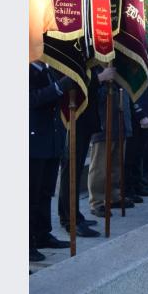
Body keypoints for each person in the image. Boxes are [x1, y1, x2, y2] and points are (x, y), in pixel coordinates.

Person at [57, 66, 115, 237]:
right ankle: (70, 220)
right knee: (70, 171)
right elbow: (72, 84)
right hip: (72, 118)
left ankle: (73, 215)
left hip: (84, 119)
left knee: (74, 170)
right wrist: (100, 78)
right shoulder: (66, 58)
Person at [30, 61, 73, 261]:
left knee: (46, 191)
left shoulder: (48, 70)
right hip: (34, 142)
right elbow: (32, 99)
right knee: (31, 195)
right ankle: (27, 243)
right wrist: (59, 87)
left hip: (51, 140)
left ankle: (42, 234)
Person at [87, 79, 134, 217]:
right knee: (100, 167)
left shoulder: (119, 69)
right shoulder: (95, 68)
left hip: (120, 121)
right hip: (103, 122)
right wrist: (102, 78)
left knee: (117, 164)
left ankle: (114, 196)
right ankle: (97, 202)